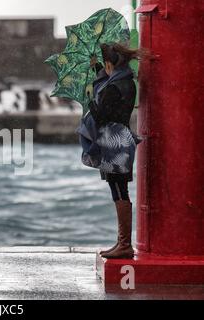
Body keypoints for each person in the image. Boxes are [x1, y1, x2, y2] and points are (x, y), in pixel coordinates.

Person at [88, 43, 142, 259]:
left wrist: (90, 101)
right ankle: (122, 243)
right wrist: (97, 67)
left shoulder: (113, 87)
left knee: (118, 190)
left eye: (105, 65)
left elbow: (101, 116)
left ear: (110, 64)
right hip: (123, 138)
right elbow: (108, 83)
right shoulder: (126, 81)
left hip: (114, 143)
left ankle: (124, 244)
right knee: (119, 189)